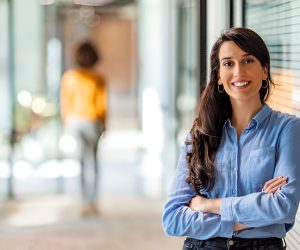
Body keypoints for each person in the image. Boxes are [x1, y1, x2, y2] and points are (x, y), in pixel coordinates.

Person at [162, 27, 300, 250]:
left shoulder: (287, 129)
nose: (238, 72)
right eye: (228, 63)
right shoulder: (199, 136)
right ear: (218, 76)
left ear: (265, 70)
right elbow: (172, 219)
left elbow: (283, 207)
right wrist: (251, 215)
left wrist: (208, 204)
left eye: (248, 61)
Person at [60, 41, 107, 216]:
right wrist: (104, 125)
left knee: (80, 161)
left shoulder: (69, 77)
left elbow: (66, 103)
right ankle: (92, 201)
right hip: (93, 121)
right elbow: (102, 104)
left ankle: (84, 203)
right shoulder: (98, 77)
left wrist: (65, 124)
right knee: (93, 161)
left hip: (75, 121)